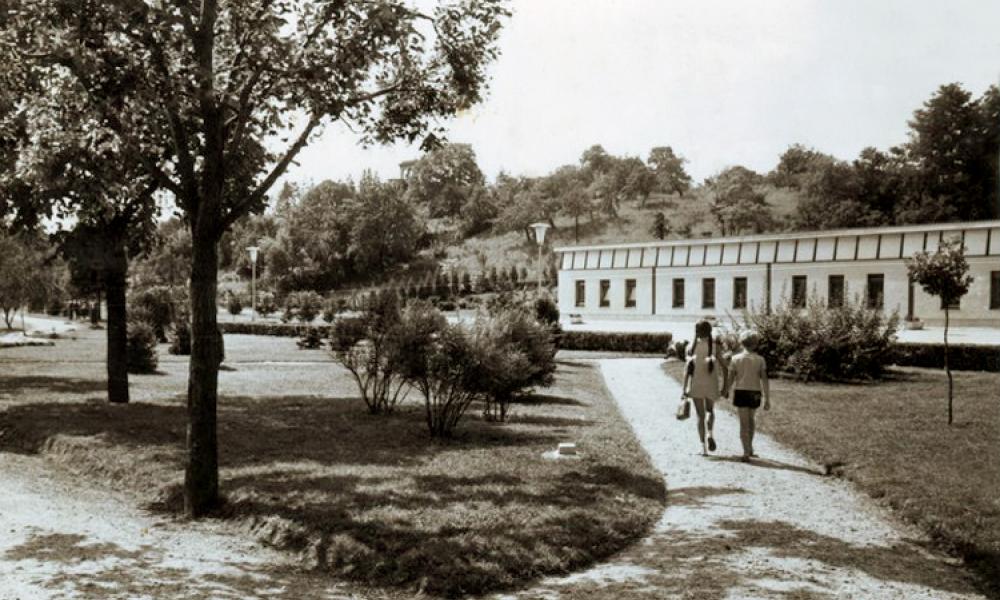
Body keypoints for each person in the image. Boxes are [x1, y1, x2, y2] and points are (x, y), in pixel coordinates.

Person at [681, 320, 728, 455]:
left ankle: (703, 448)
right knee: (710, 411)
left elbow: (687, 371)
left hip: (696, 384)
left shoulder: (690, 348)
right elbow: (725, 368)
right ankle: (710, 434)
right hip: (711, 384)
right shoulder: (715, 347)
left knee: (700, 416)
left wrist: (684, 389)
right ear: (710, 331)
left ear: (696, 332)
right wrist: (725, 387)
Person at [725, 330, 770, 462]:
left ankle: (745, 452)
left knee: (743, 423)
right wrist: (767, 398)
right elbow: (764, 380)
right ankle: (749, 447)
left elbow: (731, 378)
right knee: (751, 420)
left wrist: (726, 390)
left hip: (741, 392)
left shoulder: (735, 359)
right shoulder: (760, 360)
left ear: (742, 343)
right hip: (755, 392)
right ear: (755, 344)